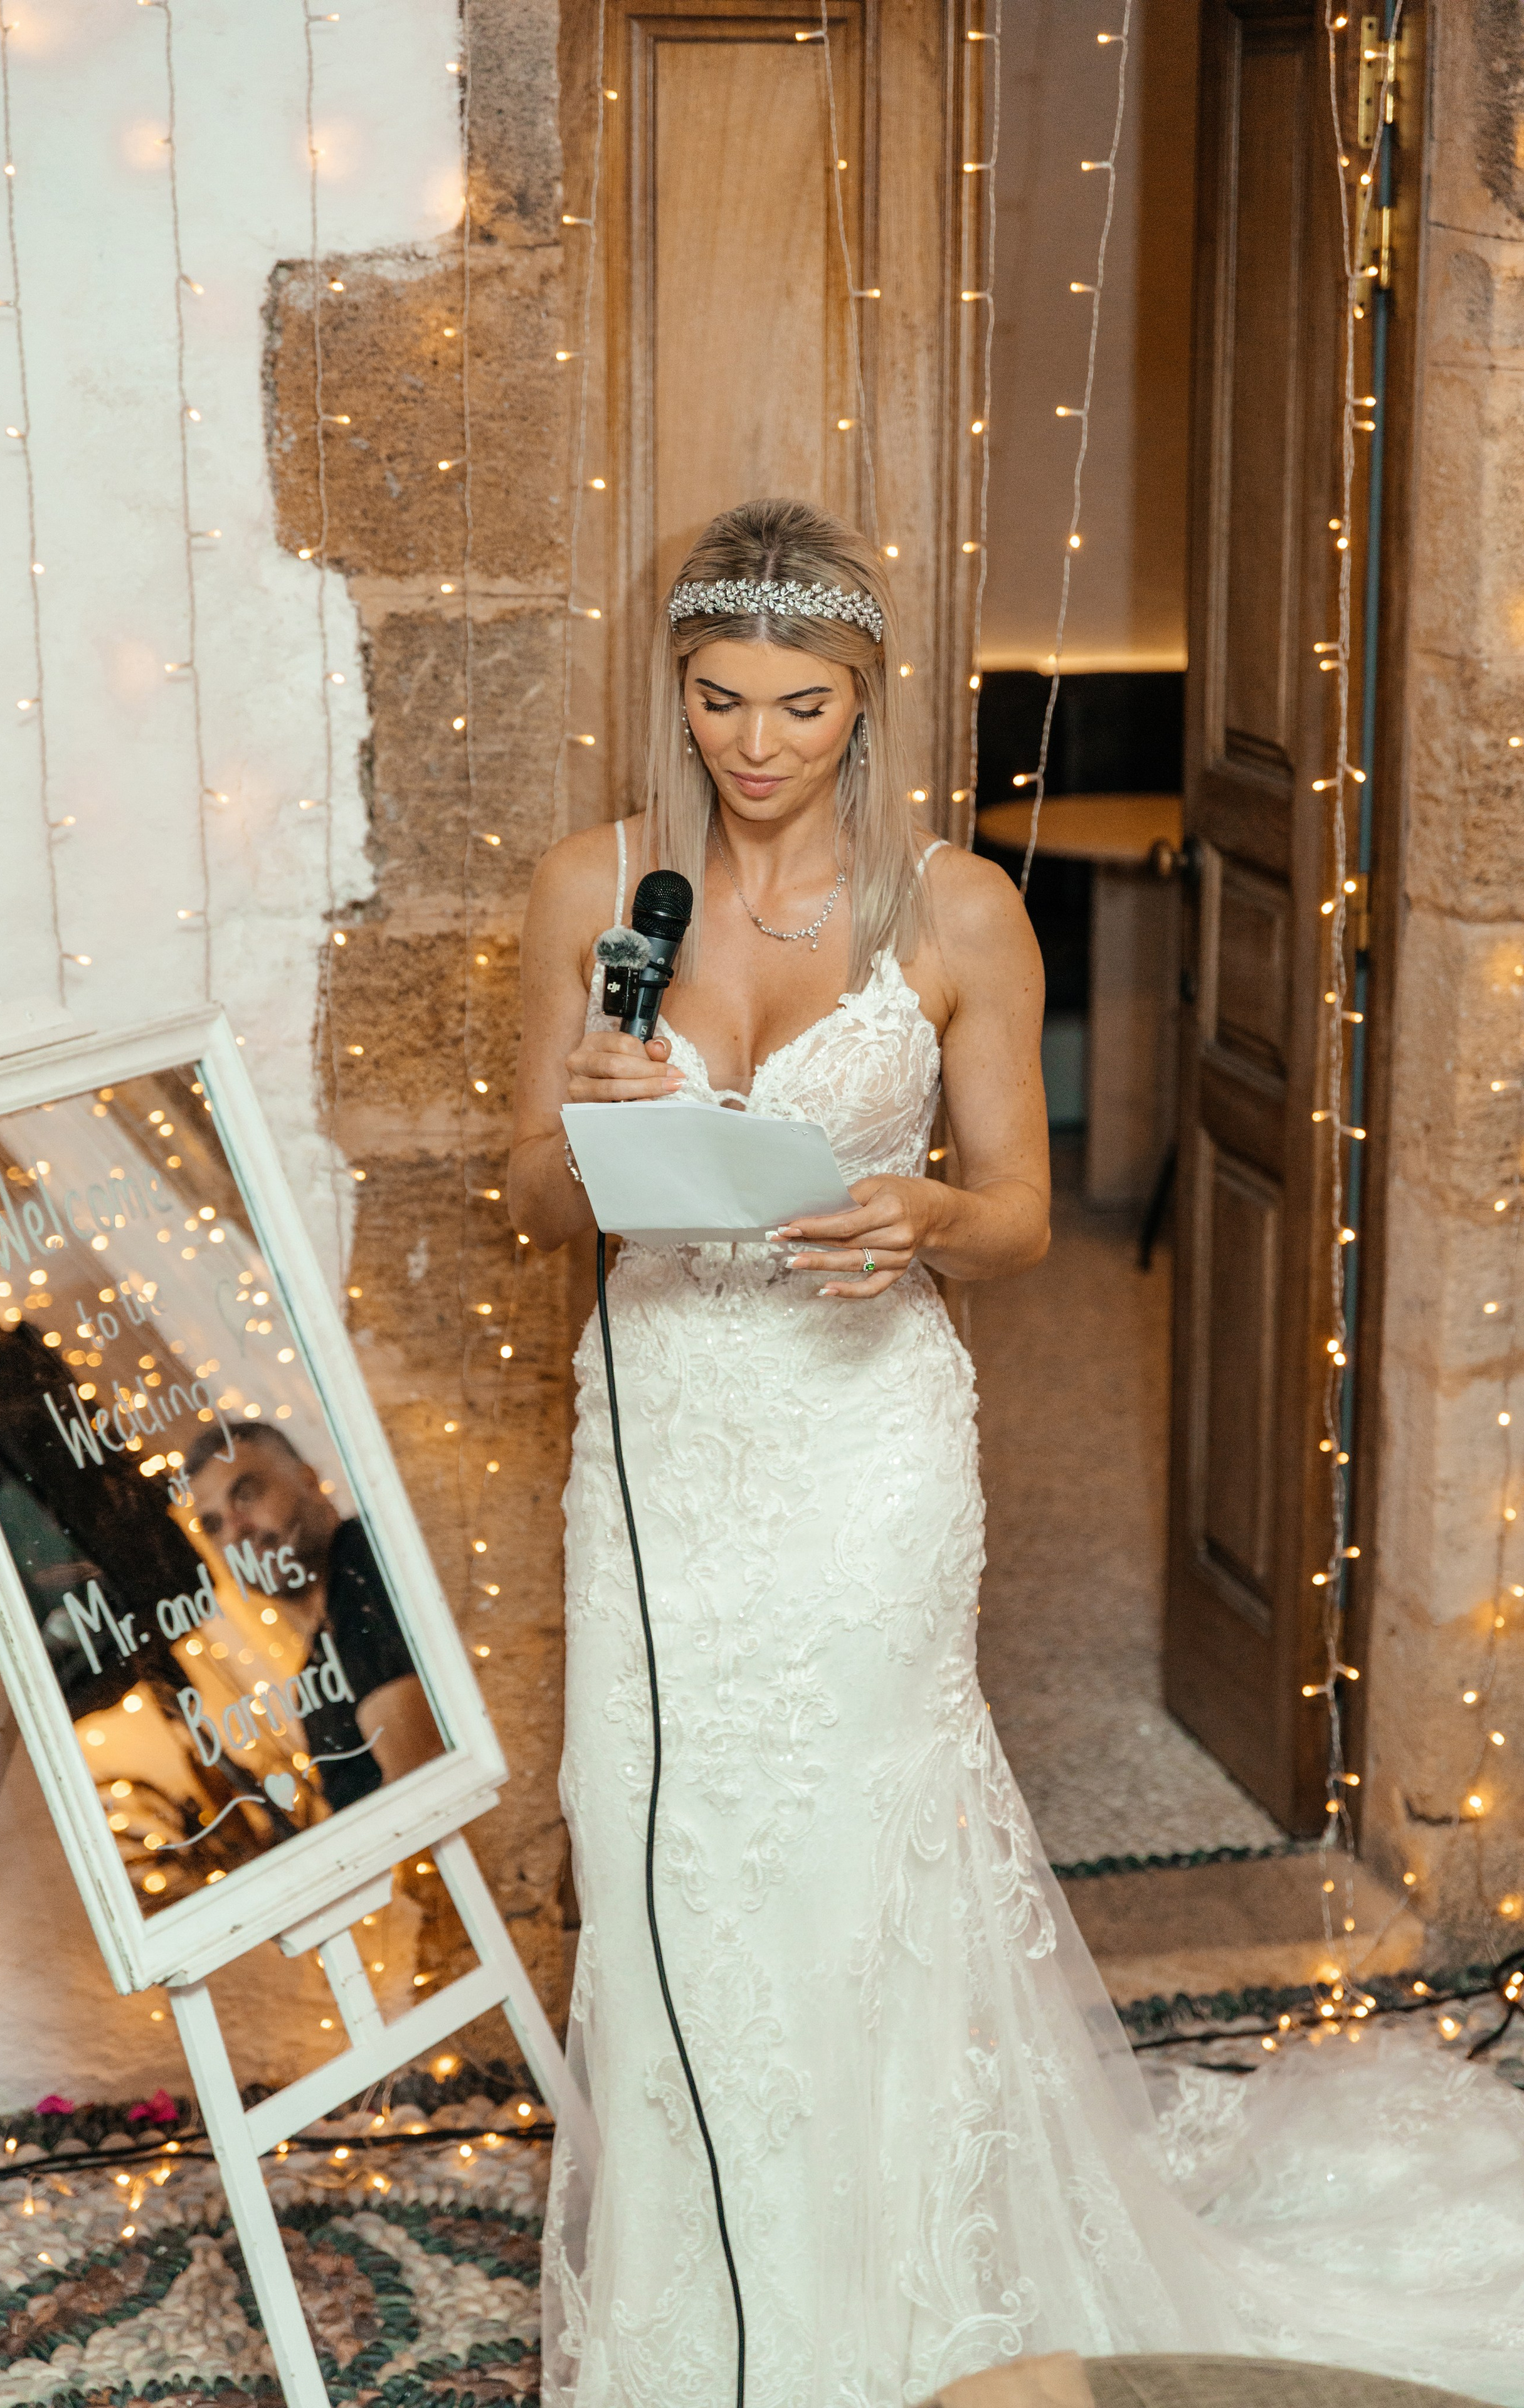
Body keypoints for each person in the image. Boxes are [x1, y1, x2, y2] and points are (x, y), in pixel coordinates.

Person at [510, 500, 1524, 2408]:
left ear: (864, 700)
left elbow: (1022, 1215)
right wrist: (581, 1116)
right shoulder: (595, 893)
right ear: (680, 696)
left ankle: (901, 2278)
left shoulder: (956, 907)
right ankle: (695, 2302)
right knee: (669, 1835)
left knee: (852, 1838)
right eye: (718, 699)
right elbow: (509, 1191)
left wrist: (909, 1213)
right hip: (662, 1437)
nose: (753, 742)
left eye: (796, 704)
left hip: (862, 1437)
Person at [184, 1420, 444, 1809]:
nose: (236, 1530)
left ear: (308, 1481)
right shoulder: (313, 1673)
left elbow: (426, 1791)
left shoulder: (377, 1563)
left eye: (248, 1494)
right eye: (214, 1525)